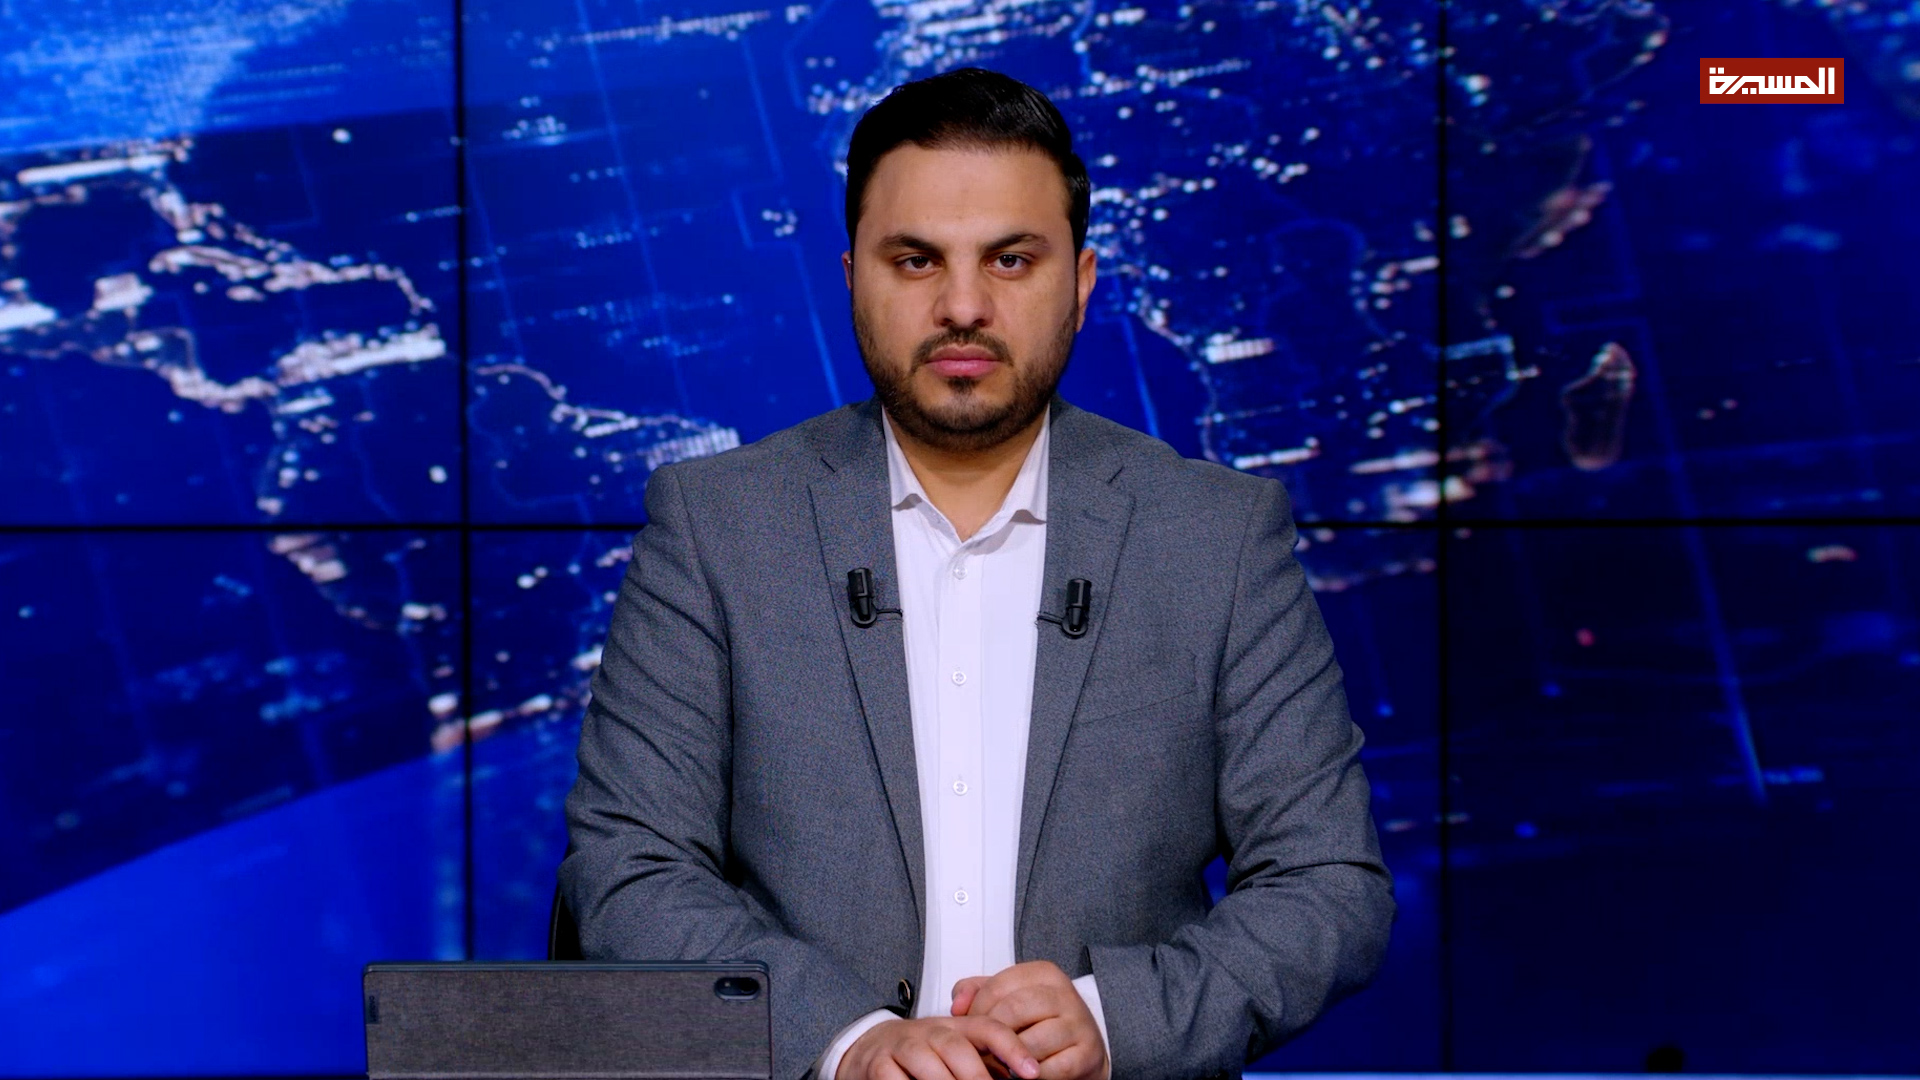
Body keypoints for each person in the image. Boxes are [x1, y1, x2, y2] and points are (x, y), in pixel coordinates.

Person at [560, 67, 1394, 1080]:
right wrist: (848, 1043)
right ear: (852, 276)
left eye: (1011, 260)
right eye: (915, 261)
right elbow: (629, 870)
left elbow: (1327, 885)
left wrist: (1111, 1021)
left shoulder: (1217, 537)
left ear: (1080, 281)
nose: (963, 306)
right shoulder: (714, 526)